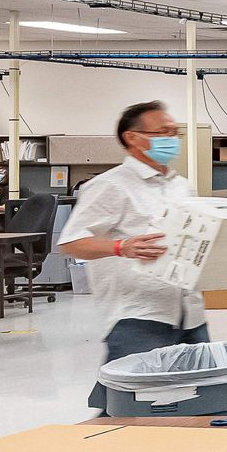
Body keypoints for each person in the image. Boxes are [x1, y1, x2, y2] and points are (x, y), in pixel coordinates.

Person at [59, 101, 206, 370]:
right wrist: (121, 246)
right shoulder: (110, 185)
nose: (172, 139)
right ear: (133, 138)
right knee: (134, 404)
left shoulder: (181, 186)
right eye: (163, 132)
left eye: (175, 133)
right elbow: (71, 242)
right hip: (138, 314)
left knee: (196, 399)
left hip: (190, 312)